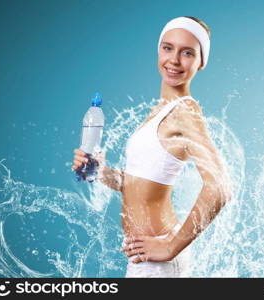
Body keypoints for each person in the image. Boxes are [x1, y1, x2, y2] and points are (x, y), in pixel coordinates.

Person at [72, 16, 232, 277]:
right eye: (167, 48)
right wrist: (100, 172)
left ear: (201, 62)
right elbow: (138, 184)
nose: (174, 60)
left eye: (188, 53)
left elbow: (220, 187)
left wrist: (170, 247)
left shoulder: (185, 111)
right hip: (142, 256)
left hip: (159, 261)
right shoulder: (160, 111)